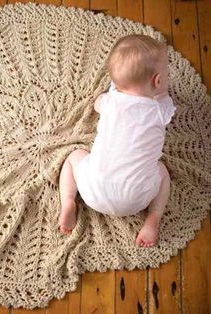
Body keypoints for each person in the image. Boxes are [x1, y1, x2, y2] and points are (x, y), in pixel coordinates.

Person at [58, 34, 176, 248]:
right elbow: (163, 99)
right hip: (135, 199)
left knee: (74, 157)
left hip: (94, 190)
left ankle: (68, 200)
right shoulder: (160, 110)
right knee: (162, 173)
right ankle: (153, 217)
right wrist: (160, 92)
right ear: (157, 80)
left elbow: (97, 104)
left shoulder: (109, 102)